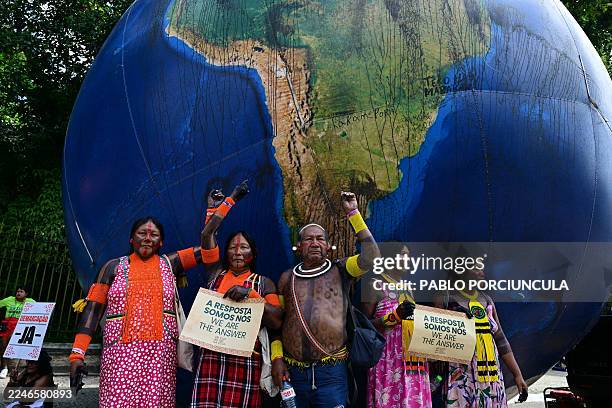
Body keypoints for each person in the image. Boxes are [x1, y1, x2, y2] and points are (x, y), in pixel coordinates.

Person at [68, 216, 207, 407]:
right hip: (119, 357)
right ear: (131, 239)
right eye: (142, 233)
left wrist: (215, 210)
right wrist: (77, 355)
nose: (148, 238)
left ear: (161, 242)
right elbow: (93, 311)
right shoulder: (112, 267)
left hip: (160, 359)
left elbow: (209, 253)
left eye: (154, 235)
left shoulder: (169, 263)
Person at [271, 191, 381, 408]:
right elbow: (276, 323)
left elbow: (372, 257)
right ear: (299, 246)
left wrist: (353, 213)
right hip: (294, 374)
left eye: (320, 239)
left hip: (331, 373)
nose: (314, 243)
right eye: (308, 239)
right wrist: (277, 358)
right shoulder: (286, 278)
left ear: (328, 246)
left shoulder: (341, 269)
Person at [191, 182, 283, 408]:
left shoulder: (264, 283)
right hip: (210, 359)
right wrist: (228, 201)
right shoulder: (215, 274)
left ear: (253, 253)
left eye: (244, 248)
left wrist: (250, 294)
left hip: (245, 360)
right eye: (232, 247)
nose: (238, 252)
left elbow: (277, 319)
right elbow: (207, 234)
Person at [434, 267, 528, 407]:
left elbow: (501, 340)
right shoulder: (447, 299)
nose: (482, 273)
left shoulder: (487, 300)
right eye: (476, 269)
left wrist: (517, 375)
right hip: (461, 374)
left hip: (490, 373)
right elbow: (435, 337)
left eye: (482, 269)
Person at [361, 243, 432, 408]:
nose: (407, 259)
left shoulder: (408, 289)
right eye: (402, 254)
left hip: (413, 359)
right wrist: (393, 317)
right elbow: (363, 326)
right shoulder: (375, 285)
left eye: (408, 255)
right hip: (388, 359)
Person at [0, 286, 35, 378]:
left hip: (21, 325)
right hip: (7, 325)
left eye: (21, 291)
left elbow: (40, 309)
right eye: (17, 291)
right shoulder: (9, 299)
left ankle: (17, 369)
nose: (18, 293)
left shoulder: (30, 301)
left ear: (26, 294)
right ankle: (4, 368)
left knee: (16, 347)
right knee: (3, 346)